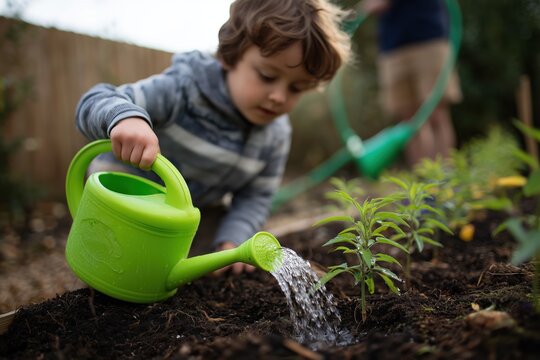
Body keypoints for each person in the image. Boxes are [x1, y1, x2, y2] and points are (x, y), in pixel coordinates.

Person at [75, 0, 352, 273]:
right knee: (113, 269)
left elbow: (255, 197)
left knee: (226, 240)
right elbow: (96, 98)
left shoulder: (276, 135)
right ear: (230, 56)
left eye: (296, 89)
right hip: (124, 199)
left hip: (189, 215)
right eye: (267, 76)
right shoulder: (184, 89)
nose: (279, 97)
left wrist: (234, 240)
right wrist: (125, 118)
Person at [360, 0, 462, 166]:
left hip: (428, 35)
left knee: (436, 113)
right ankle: (421, 184)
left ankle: (445, 180)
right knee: (407, 122)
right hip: (392, 45)